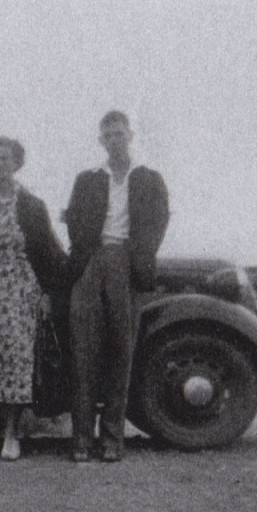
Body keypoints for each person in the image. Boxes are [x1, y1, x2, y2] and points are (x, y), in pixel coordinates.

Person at [63, 111, 169, 463]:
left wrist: (140, 257)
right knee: (84, 352)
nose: (114, 140)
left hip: (127, 263)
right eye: (108, 135)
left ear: (130, 135)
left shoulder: (149, 179)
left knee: (120, 353)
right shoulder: (88, 179)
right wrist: (86, 255)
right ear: (101, 141)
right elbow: (75, 220)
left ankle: (112, 439)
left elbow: (158, 220)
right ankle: (81, 439)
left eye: (119, 134)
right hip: (92, 261)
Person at [0, 137, 67, 460]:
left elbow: (47, 253)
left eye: (5, 159)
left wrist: (47, 293)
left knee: (17, 360)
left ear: (16, 163)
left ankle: (12, 434)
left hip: (20, 291)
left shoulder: (31, 205)